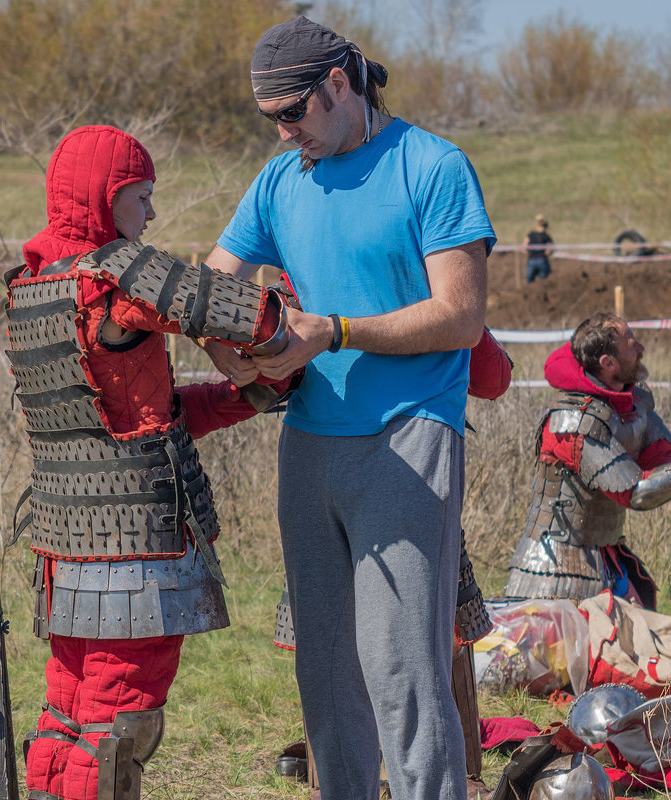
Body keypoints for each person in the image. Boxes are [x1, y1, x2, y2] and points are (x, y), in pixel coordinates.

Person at [200, 16, 495, 800]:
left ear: (340, 83)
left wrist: (331, 331)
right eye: (270, 120)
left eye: (293, 112)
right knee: (325, 666)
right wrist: (223, 346)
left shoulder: (433, 167)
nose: (284, 132)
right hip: (309, 443)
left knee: (403, 663)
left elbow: (462, 315)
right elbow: (212, 282)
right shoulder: (279, 180)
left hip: (410, 436)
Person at [6, 124, 298, 800]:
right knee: (119, 720)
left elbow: (139, 417)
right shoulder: (116, 273)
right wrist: (293, 313)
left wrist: (249, 393)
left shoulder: (34, 284)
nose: (151, 214)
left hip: (69, 546)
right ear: (106, 199)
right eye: (142, 196)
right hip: (133, 548)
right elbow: (250, 314)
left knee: (69, 711)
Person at [271, 328, 512, 799]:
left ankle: (456, 776)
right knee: (342, 660)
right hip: (346, 468)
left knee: (423, 650)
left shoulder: (429, 290)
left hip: (409, 470)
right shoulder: (297, 290)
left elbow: (492, 375)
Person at [503, 312, 671, 609]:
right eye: (631, 344)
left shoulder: (632, 401)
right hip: (554, 571)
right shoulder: (573, 422)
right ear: (608, 363)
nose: (640, 348)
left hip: (605, 556)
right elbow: (636, 492)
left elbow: (660, 458)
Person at [525, 214, 553, 284]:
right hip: (542, 260)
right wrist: (548, 253)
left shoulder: (531, 234)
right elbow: (550, 248)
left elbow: (525, 246)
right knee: (542, 282)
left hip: (532, 259)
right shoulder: (546, 236)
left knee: (529, 281)